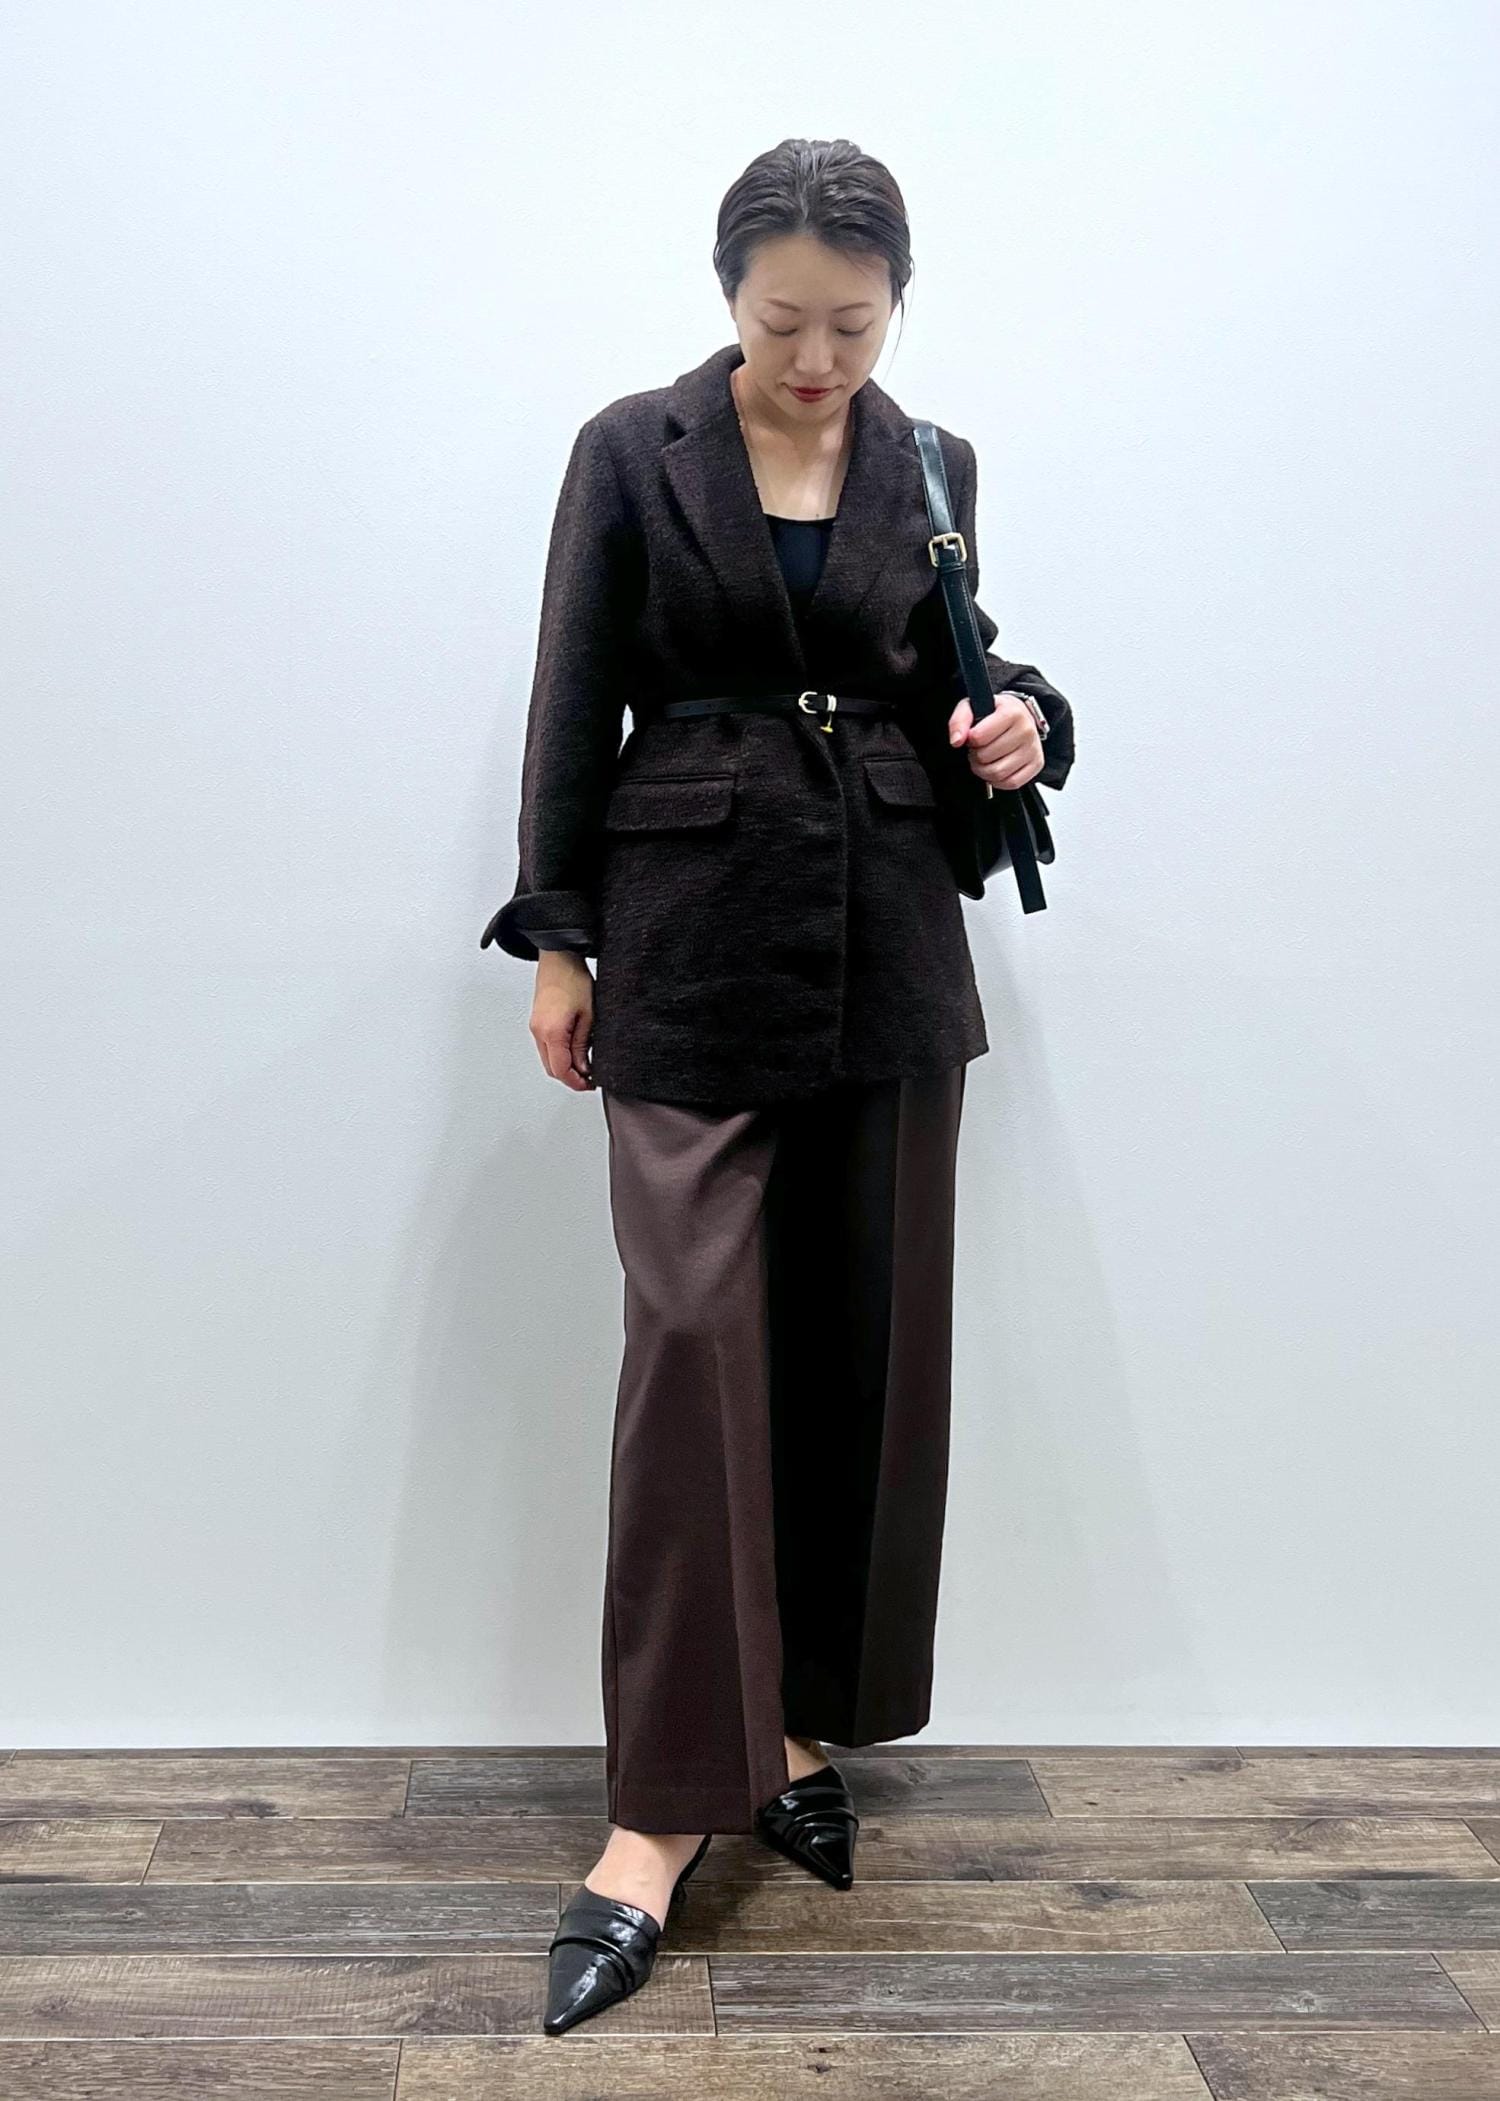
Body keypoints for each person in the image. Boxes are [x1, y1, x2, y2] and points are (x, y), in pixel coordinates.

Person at [479, 136, 1076, 2038]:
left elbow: (958, 670)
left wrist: (1026, 721)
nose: (817, 359)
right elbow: (573, 693)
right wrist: (562, 935)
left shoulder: (935, 463)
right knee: (690, 1356)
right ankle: (658, 1811)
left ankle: (799, 1721)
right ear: (726, 294)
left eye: (855, 324)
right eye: (782, 320)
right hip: (688, 944)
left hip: (887, 948)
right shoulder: (630, 449)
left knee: (857, 1358)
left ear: (900, 305)